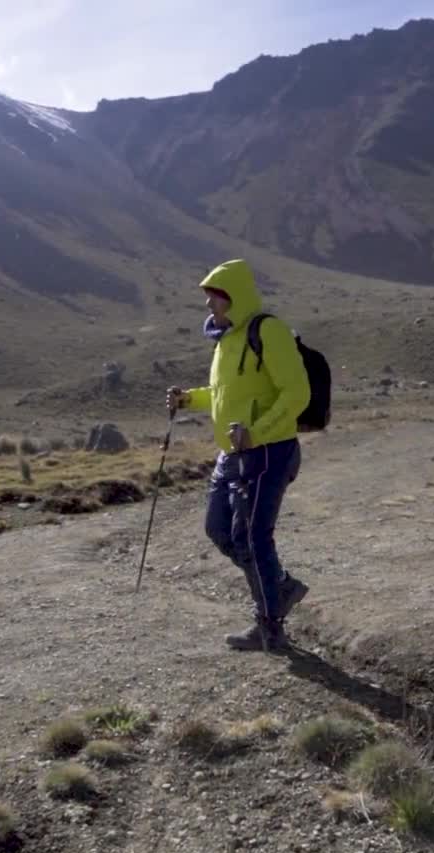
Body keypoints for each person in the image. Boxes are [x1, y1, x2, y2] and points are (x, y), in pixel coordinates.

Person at [167, 258, 310, 652]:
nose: (209, 306)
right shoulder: (226, 341)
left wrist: (258, 432)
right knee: (219, 530)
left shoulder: (268, 331)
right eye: (209, 298)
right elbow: (225, 396)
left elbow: (297, 393)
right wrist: (188, 399)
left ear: (236, 298)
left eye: (216, 298)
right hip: (233, 452)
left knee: (252, 536)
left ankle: (269, 626)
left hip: (268, 452)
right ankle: (279, 588)